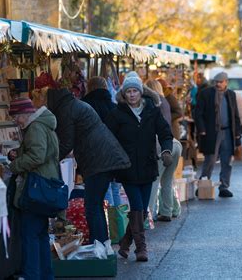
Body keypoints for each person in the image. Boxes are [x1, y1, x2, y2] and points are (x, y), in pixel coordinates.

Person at [39, 86, 130, 245]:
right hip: (103, 156)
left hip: (98, 159)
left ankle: (99, 243)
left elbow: (66, 143)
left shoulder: (67, 109)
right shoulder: (74, 104)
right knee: (95, 205)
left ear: (51, 99)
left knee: (92, 206)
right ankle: (102, 243)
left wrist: (48, 161)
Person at [106, 74, 173, 261]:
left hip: (148, 166)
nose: (132, 94)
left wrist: (166, 150)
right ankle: (141, 248)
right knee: (136, 205)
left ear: (141, 92)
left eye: (135, 90)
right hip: (127, 169)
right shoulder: (117, 113)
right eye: (128, 91)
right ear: (124, 94)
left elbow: (165, 133)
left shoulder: (152, 110)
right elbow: (108, 138)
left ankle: (125, 243)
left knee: (142, 209)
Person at [7, 97, 59, 280]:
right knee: (40, 234)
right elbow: (38, 153)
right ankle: (45, 275)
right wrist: (19, 153)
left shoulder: (35, 127)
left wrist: (15, 165)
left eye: (16, 117)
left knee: (30, 235)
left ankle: (32, 276)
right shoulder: (41, 125)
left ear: (25, 113)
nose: (15, 121)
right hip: (43, 185)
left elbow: (37, 156)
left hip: (36, 187)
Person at [195, 72, 241, 198]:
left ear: (226, 82)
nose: (218, 84)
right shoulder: (206, 93)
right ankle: (203, 184)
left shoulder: (231, 94)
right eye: (216, 82)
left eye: (221, 82)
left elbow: (235, 115)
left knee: (227, 161)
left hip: (227, 132)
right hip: (211, 132)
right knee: (210, 159)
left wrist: (237, 135)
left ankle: (224, 186)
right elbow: (198, 113)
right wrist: (202, 130)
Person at [145, 79, 182, 222]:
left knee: (154, 179)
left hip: (162, 145)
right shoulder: (165, 101)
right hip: (174, 143)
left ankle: (148, 215)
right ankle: (167, 211)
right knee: (167, 180)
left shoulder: (152, 102)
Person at [81, 76, 122, 206]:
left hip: (95, 153)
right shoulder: (114, 107)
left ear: (89, 88)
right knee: (115, 188)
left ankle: (108, 222)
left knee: (105, 190)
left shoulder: (86, 106)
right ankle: (118, 223)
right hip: (116, 151)